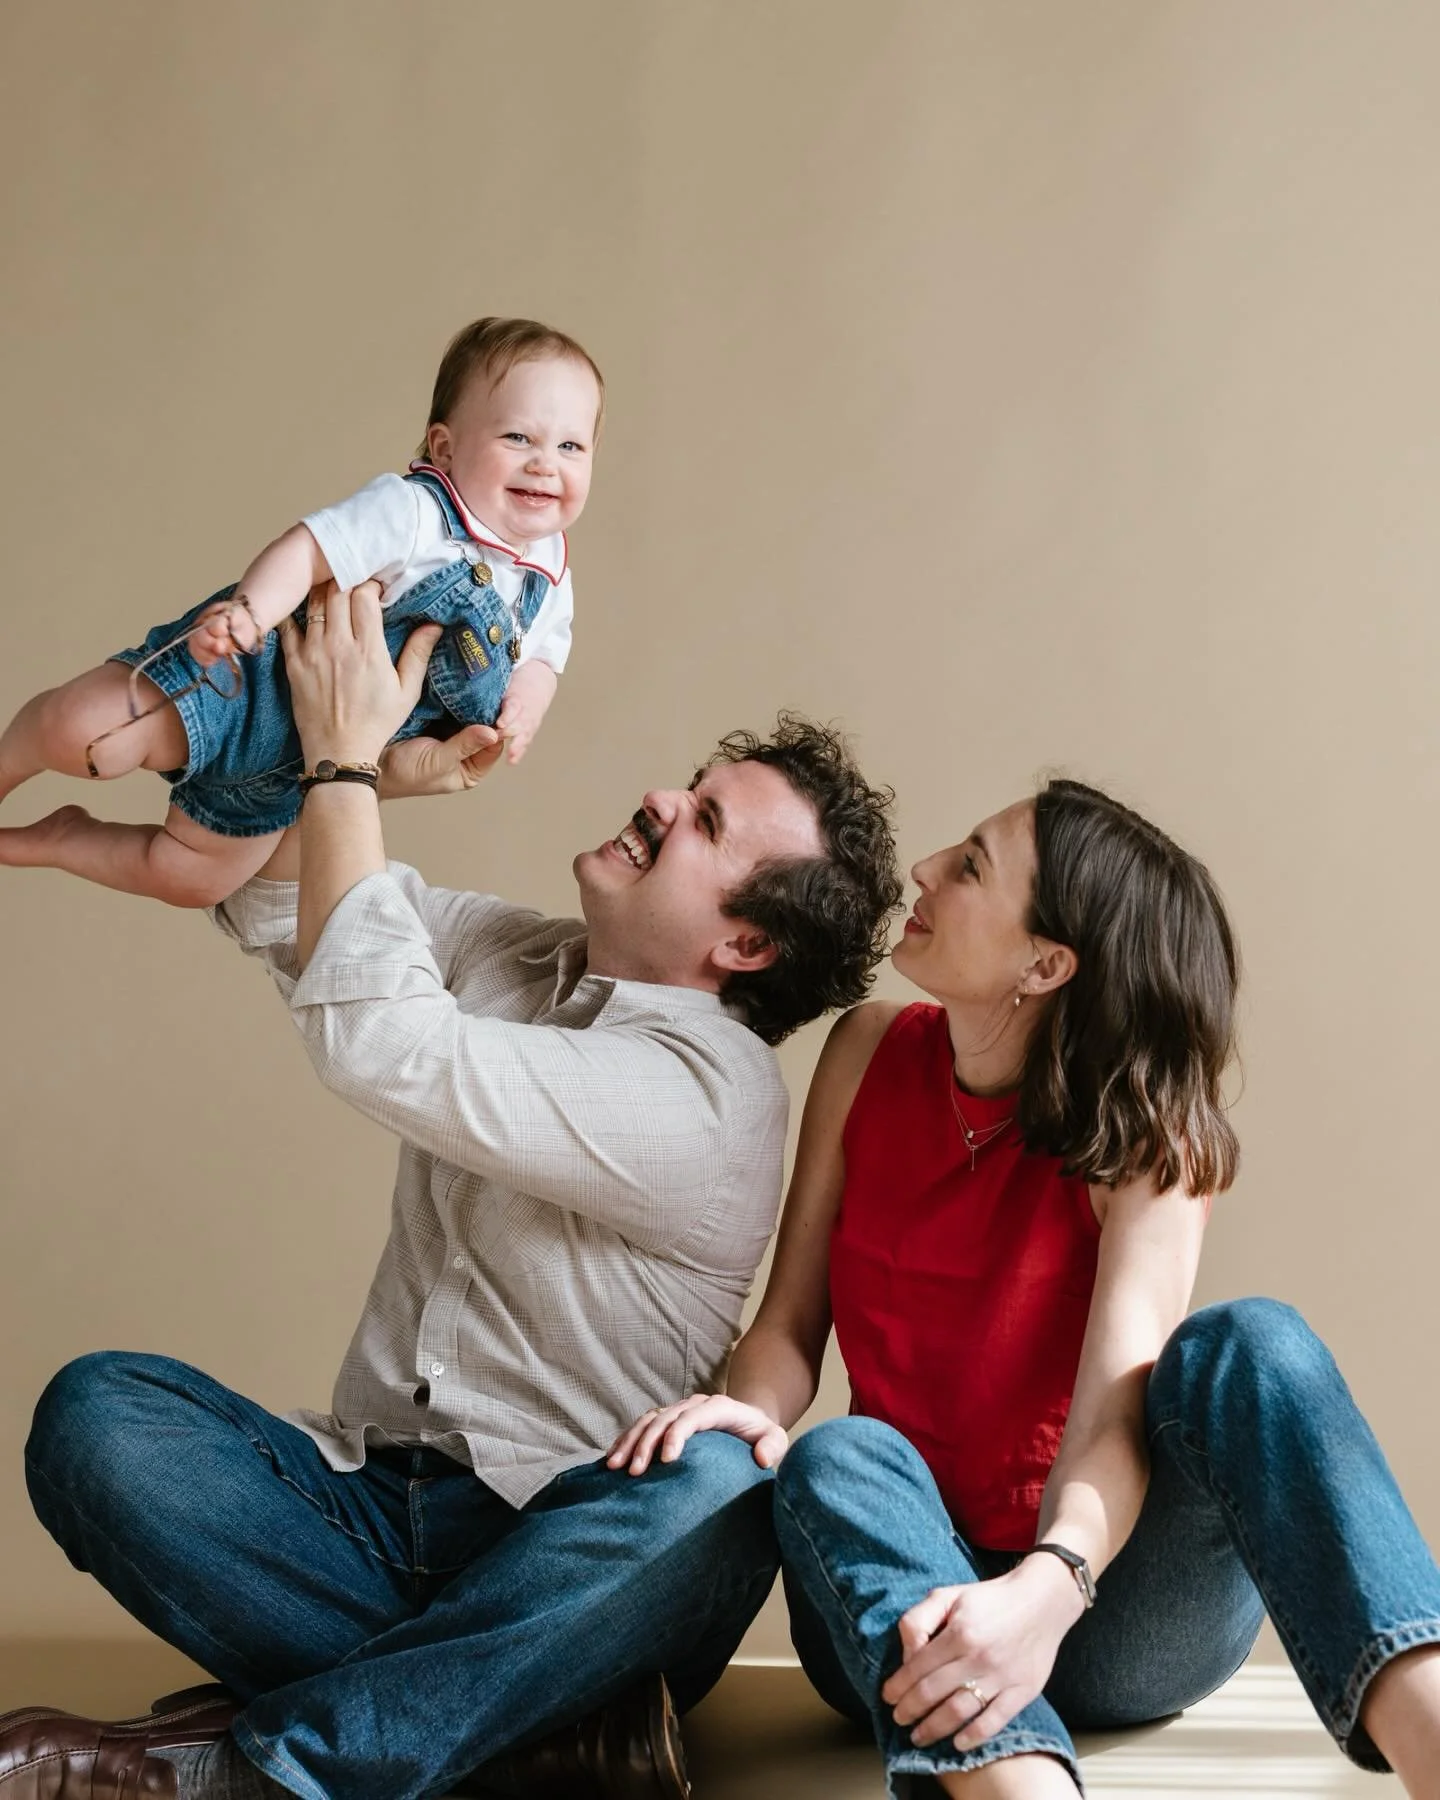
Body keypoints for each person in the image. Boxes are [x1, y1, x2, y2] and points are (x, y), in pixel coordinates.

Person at [0, 583, 903, 1800]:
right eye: (692, 783)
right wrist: (336, 757)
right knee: (100, 1418)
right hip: (364, 1510)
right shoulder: (513, 953)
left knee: (721, 1489)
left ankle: (259, 1769)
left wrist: (347, 770)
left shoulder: (713, 1092)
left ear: (744, 947)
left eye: (703, 822)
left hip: (571, 1552)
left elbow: (387, 1044)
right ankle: (516, 1726)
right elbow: (280, 901)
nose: (658, 798)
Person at [610, 781, 1440, 1798]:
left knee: (1250, 1343)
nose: (925, 871)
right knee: (837, 1452)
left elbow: (1113, 1414)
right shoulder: (868, 1051)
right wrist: (738, 1418)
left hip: (1110, 1607)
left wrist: (1050, 1590)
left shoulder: (1146, 1135)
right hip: (907, 1591)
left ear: (1045, 964)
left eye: (969, 867)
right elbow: (789, 1326)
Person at [0, 316, 600, 906]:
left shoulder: (547, 580)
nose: (546, 463)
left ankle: (57, 840)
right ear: (444, 447)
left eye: (571, 445)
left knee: (191, 878)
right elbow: (307, 549)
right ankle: (13, 757)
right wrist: (247, 613)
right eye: (518, 438)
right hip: (246, 685)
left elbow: (545, 660)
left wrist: (524, 708)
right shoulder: (415, 512)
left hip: (306, 764)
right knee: (90, 738)